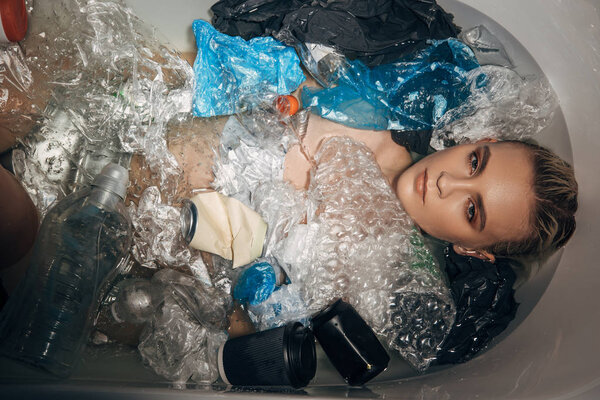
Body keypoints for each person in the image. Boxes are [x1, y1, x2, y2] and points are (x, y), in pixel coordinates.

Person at [166, 110, 578, 263]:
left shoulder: (374, 269)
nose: (446, 181)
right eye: (475, 162)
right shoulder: (375, 112)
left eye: (472, 210)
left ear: (472, 250)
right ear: (479, 141)